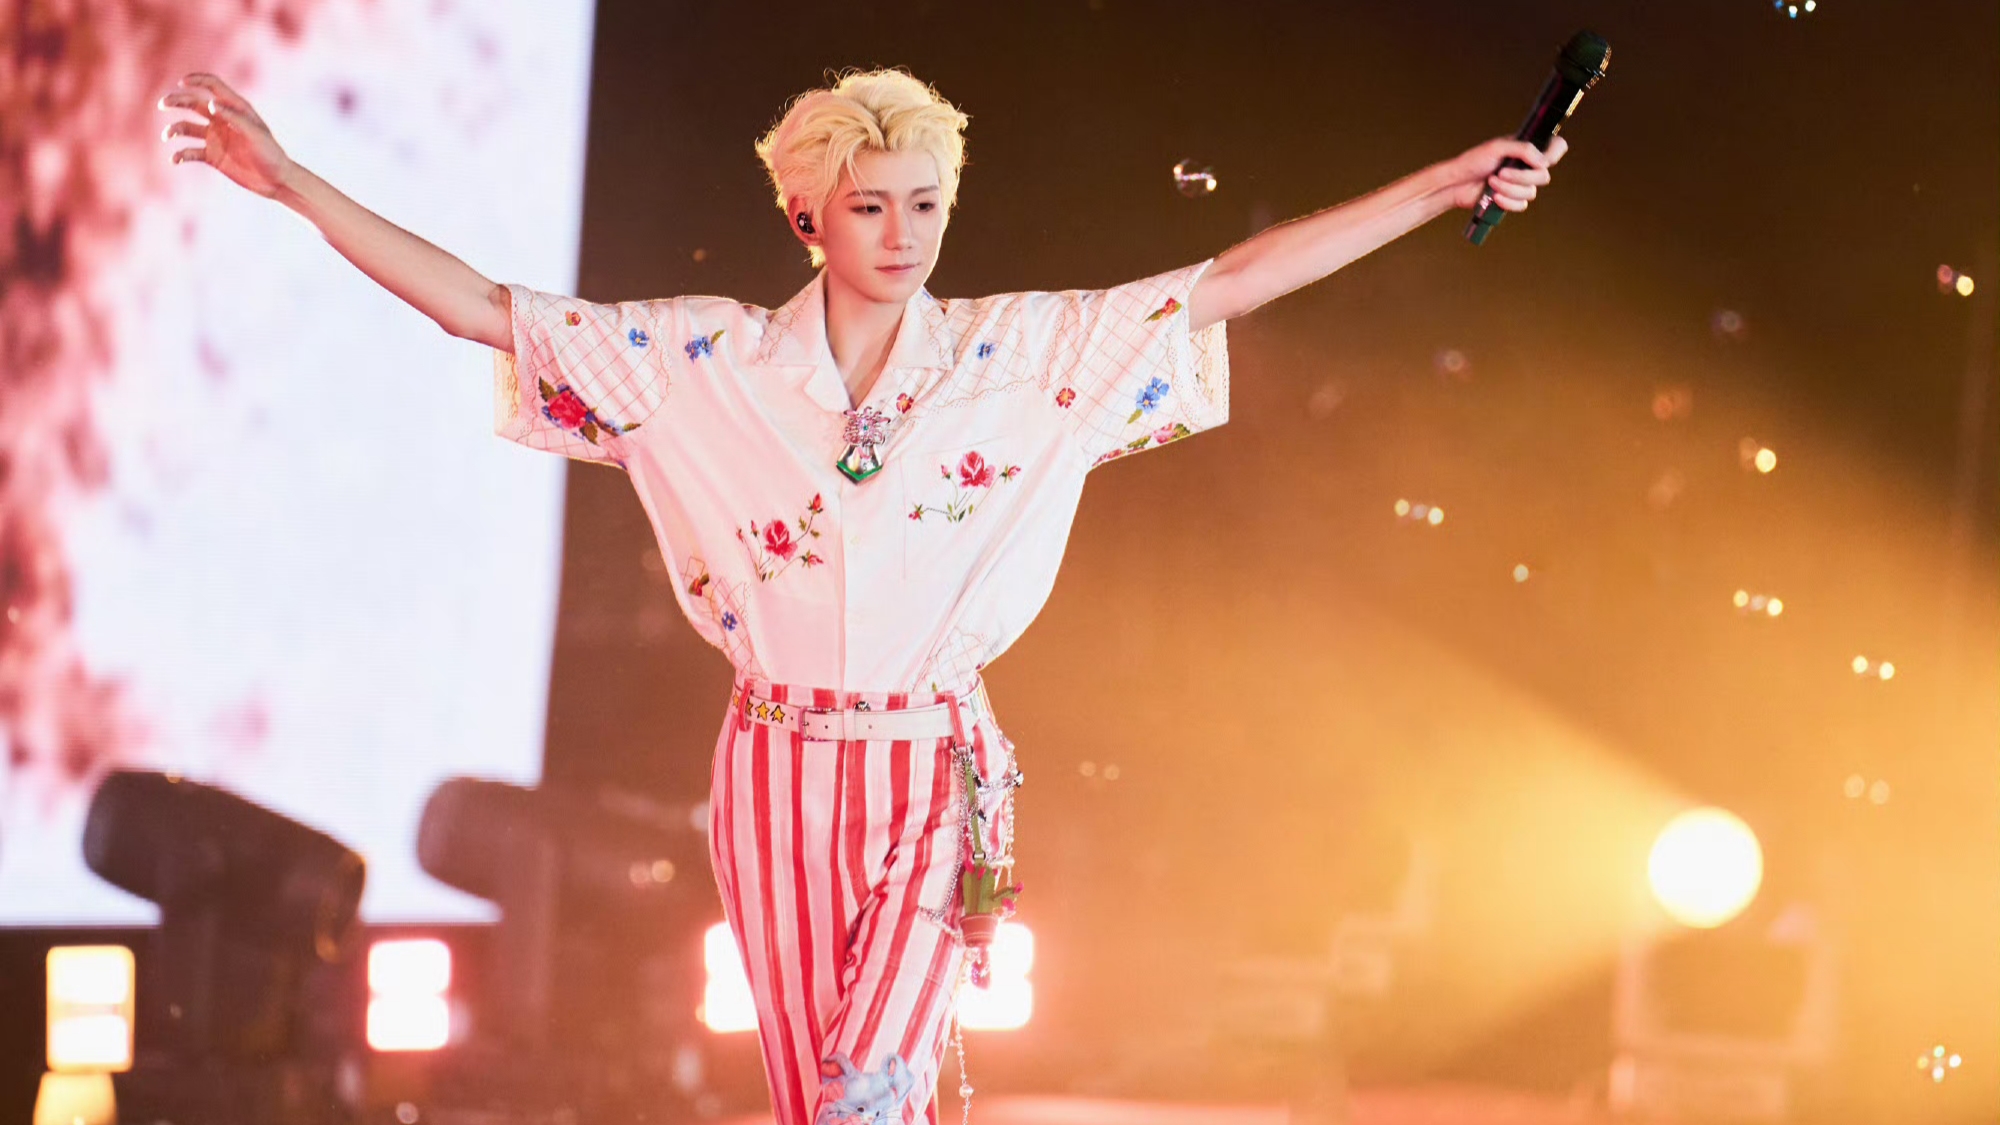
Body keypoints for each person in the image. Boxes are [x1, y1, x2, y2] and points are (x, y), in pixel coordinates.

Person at [157, 66, 1566, 1125]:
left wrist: (1443, 184)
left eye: (926, 205)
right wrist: (293, 183)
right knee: (816, 1099)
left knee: (870, 1088)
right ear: (807, 215)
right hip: (770, 767)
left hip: (936, 773)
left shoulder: (1025, 355)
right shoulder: (701, 365)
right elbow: (484, 310)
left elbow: (1231, 282)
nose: (904, 234)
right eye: (872, 206)